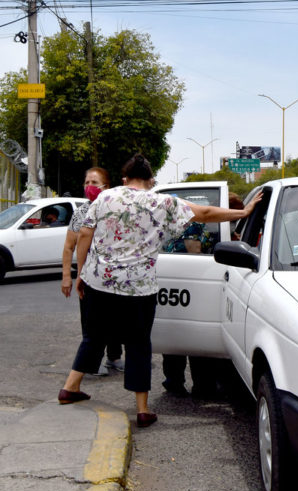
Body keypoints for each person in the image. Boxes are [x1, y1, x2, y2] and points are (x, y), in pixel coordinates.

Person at [57, 154, 262, 428]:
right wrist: (243, 213)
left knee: (93, 336)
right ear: (151, 180)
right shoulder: (162, 202)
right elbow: (205, 214)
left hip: (100, 281)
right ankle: (142, 410)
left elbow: (84, 234)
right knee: (138, 344)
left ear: (125, 179)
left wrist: (82, 272)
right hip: (138, 288)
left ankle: (70, 388)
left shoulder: (105, 197)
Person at [161, 191, 246, 398]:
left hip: (173, 280)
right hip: (190, 281)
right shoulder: (195, 224)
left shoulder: (176, 222)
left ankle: (176, 381)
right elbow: (194, 251)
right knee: (195, 336)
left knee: (175, 335)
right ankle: (200, 385)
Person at [61, 167, 124, 376]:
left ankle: (114, 357)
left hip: (113, 275)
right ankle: (90, 363)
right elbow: (69, 246)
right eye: (87, 182)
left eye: (94, 183)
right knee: (90, 322)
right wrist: (67, 277)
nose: (89, 187)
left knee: (115, 319)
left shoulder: (116, 210)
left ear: (106, 186)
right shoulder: (81, 212)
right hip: (88, 276)